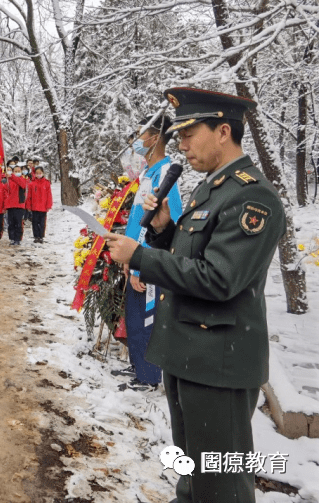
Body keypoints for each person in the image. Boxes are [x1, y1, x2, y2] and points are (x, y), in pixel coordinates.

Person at [105, 88, 285, 503]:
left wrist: (142, 257)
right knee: (193, 467)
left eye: (189, 134)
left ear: (224, 131)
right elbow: (193, 256)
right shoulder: (212, 188)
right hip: (191, 352)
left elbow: (220, 278)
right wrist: (166, 231)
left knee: (220, 483)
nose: (181, 145)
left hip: (217, 361)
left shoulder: (250, 196)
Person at [118, 115, 183, 392]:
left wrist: (141, 266)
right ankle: (137, 364)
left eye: (140, 135)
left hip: (147, 263)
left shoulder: (167, 176)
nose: (136, 141)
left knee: (146, 320)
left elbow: (168, 226)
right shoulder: (148, 173)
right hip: (135, 258)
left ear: (155, 137)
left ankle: (147, 377)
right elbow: (138, 219)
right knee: (134, 315)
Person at [27, 166, 52, 243]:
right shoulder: (32, 183)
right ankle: (36, 236)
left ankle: (41, 236)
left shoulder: (46, 183)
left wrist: (49, 205)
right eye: (37, 173)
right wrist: (28, 205)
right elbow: (29, 196)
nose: (38, 174)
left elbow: (49, 195)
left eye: (40, 173)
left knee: (42, 222)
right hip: (34, 207)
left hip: (43, 207)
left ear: (43, 173)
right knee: (35, 222)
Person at [5, 164, 28, 245]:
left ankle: (18, 238)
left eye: (18, 171)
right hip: (10, 205)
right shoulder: (9, 181)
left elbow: (22, 184)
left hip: (19, 205)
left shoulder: (23, 179)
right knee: (11, 223)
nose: (17, 173)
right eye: (15, 171)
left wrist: (12, 177)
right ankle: (12, 238)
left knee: (18, 223)